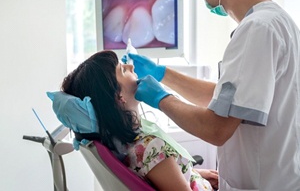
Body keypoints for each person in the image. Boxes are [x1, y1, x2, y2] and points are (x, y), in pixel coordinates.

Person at [127, 0, 300, 190]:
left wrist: (161, 99)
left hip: (263, 183)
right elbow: (227, 102)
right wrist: (162, 74)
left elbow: (216, 129)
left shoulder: (257, 29)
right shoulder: (279, 21)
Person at [56, 50, 218, 191]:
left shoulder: (123, 145)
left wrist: (194, 175)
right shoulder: (150, 147)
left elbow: (158, 176)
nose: (131, 67)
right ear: (118, 96)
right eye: (123, 69)